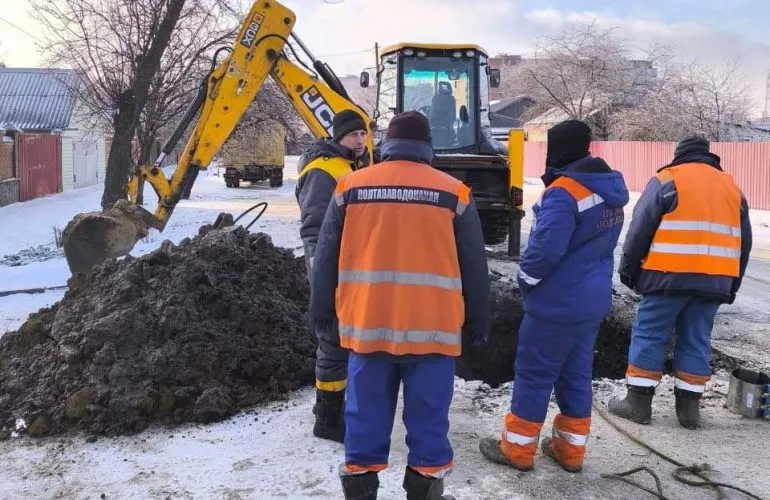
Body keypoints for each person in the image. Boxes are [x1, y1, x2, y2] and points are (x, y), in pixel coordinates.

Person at [309, 111, 491, 500]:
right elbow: (475, 264)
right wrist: (478, 320)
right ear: (428, 147)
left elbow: (325, 258)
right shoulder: (453, 193)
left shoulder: (350, 187)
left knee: (363, 424)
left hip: (368, 328)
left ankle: (361, 490)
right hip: (433, 334)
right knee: (429, 428)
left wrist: (323, 314)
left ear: (387, 143)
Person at [479, 119, 629, 473]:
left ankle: (517, 449)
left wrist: (526, 281)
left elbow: (545, 249)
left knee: (534, 374)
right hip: (590, 304)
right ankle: (570, 451)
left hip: (556, 306)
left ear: (557, 150)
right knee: (575, 375)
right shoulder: (610, 189)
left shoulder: (565, 191)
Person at [611, 135, 752, 429]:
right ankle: (689, 412)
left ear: (679, 156)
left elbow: (640, 229)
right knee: (696, 339)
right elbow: (745, 243)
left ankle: (638, 404)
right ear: (708, 157)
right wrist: (732, 285)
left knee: (650, 334)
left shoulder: (668, 179)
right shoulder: (732, 188)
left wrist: (628, 270)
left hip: (667, 276)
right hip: (715, 281)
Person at [295, 108, 369, 443]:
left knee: (342, 335)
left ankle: (332, 405)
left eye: (364, 134)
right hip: (329, 260)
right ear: (338, 136)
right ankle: (328, 420)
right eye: (354, 134)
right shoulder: (323, 169)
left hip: (349, 261)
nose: (361, 139)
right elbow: (314, 227)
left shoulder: (352, 165)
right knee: (333, 336)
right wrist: (323, 267)